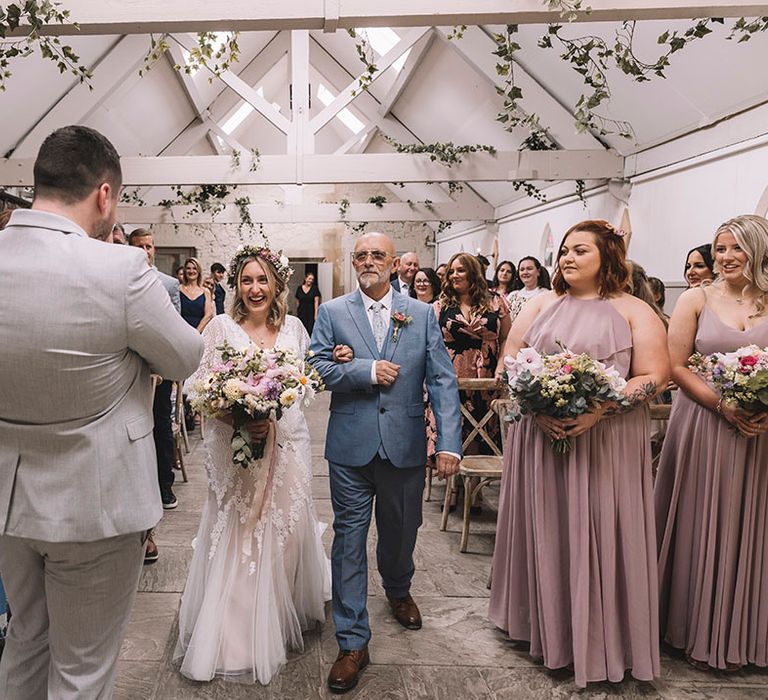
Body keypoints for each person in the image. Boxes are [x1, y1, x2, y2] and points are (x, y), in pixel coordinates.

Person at [0, 125, 203, 699]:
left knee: (25, 640)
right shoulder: (119, 271)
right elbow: (186, 356)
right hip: (97, 500)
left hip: (10, 500)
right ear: (105, 195)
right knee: (82, 670)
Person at [489, 219, 669, 688]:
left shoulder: (634, 310)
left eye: (580, 251)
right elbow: (510, 358)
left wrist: (601, 409)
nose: (567, 258)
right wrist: (533, 401)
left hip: (605, 442)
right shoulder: (541, 304)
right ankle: (544, 627)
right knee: (548, 527)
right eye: (564, 251)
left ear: (608, 258)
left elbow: (654, 375)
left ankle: (602, 637)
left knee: (602, 528)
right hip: (542, 437)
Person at [310, 232, 462, 693]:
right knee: (348, 542)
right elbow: (316, 367)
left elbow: (442, 379)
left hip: (405, 446)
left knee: (400, 533)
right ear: (352, 262)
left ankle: (398, 588)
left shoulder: (419, 314)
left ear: (395, 263)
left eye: (378, 255)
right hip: (350, 448)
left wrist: (450, 444)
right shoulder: (333, 312)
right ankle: (353, 640)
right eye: (361, 255)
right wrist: (365, 370)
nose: (369, 261)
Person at [175, 245, 330, 684]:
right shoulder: (221, 328)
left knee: (286, 528)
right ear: (236, 285)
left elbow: (300, 385)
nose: (255, 288)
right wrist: (242, 417)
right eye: (247, 280)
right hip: (237, 448)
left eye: (262, 280)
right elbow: (198, 391)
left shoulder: (296, 328)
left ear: (277, 284)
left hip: (290, 443)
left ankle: (276, 619)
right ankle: (237, 634)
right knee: (244, 528)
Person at [655, 214, 768, 671]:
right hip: (704, 423)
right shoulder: (696, 299)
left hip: (760, 432)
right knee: (703, 517)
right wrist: (724, 406)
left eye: (735, 248)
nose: (725, 258)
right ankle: (689, 626)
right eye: (720, 249)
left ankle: (747, 631)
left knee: (752, 523)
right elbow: (676, 365)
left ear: (757, 250)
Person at [128, 228, 182, 566]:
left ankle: (165, 484)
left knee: (161, 427)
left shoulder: (166, 283)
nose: (146, 252)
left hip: (158, 371)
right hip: (126, 370)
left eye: (150, 247)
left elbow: (173, 325)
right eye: (140, 247)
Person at [429, 253, 510, 461]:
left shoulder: (495, 301)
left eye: (461, 270)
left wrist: (502, 365)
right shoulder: (441, 305)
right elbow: (431, 343)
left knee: (482, 425)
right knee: (452, 425)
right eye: (452, 271)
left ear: (473, 273)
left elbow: (507, 338)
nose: (454, 275)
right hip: (451, 373)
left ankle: (473, 485)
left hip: (487, 374)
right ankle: (455, 484)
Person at [507, 255, 552, 320]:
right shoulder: (512, 295)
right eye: (522, 270)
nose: (525, 272)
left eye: (529, 269)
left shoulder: (546, 295)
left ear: (538, 272)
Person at [180, 257, 213, 332]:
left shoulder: (206, 292)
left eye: (194, 268)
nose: (191, 271)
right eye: (188, 268)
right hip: (181, 332)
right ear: (185, 271)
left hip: (200, 333)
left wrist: (196, 332)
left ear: (199, 271)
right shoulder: (178, 290)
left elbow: (208, 315)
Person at [294, 270, 322, 335]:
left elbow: (316, 302)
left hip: (311, 313)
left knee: (310, 330)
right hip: (301, 312)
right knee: (301, 329)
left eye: (312, 279)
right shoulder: (299, 288)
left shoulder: (315, 289)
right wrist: (297, 311)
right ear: (305, 278)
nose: (311, 280)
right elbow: (297, 301)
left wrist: (316, 315)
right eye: (309, 278)